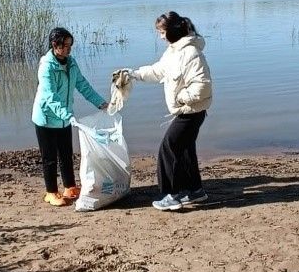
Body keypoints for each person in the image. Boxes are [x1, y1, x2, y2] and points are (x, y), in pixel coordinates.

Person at [128, 11, 212, 211]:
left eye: (162, 32)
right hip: (186, 111)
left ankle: (170, 195)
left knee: (168, 149)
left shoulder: (191, 53)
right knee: (185, 149)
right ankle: (195, 191)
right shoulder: (173, 51)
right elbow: (157, 71)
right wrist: (133, 74)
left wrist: (181, 97)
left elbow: (203, 86)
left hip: (191, 112)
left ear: (173, 31)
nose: (160, 37)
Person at [32, 27, 108, 206]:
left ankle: (70, 187)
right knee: (50, 158)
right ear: (54, 45)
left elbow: (82, 85)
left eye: (70, 45)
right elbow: (50, 96)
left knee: (66, 154)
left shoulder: (71, 63)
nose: (68, 49)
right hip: (46, 119)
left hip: (65, 118)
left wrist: (100, 103)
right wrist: (67, 114)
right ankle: (51, 192)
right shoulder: (46, 67)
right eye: (65, 46)